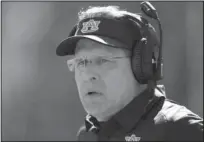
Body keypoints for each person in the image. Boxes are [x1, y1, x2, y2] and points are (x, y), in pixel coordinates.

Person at [56, 4, 203, 141]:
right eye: (81, 62)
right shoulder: (87, 134)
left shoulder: (182, 131)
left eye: (102, 60)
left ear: (140, 65)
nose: (88, 75)